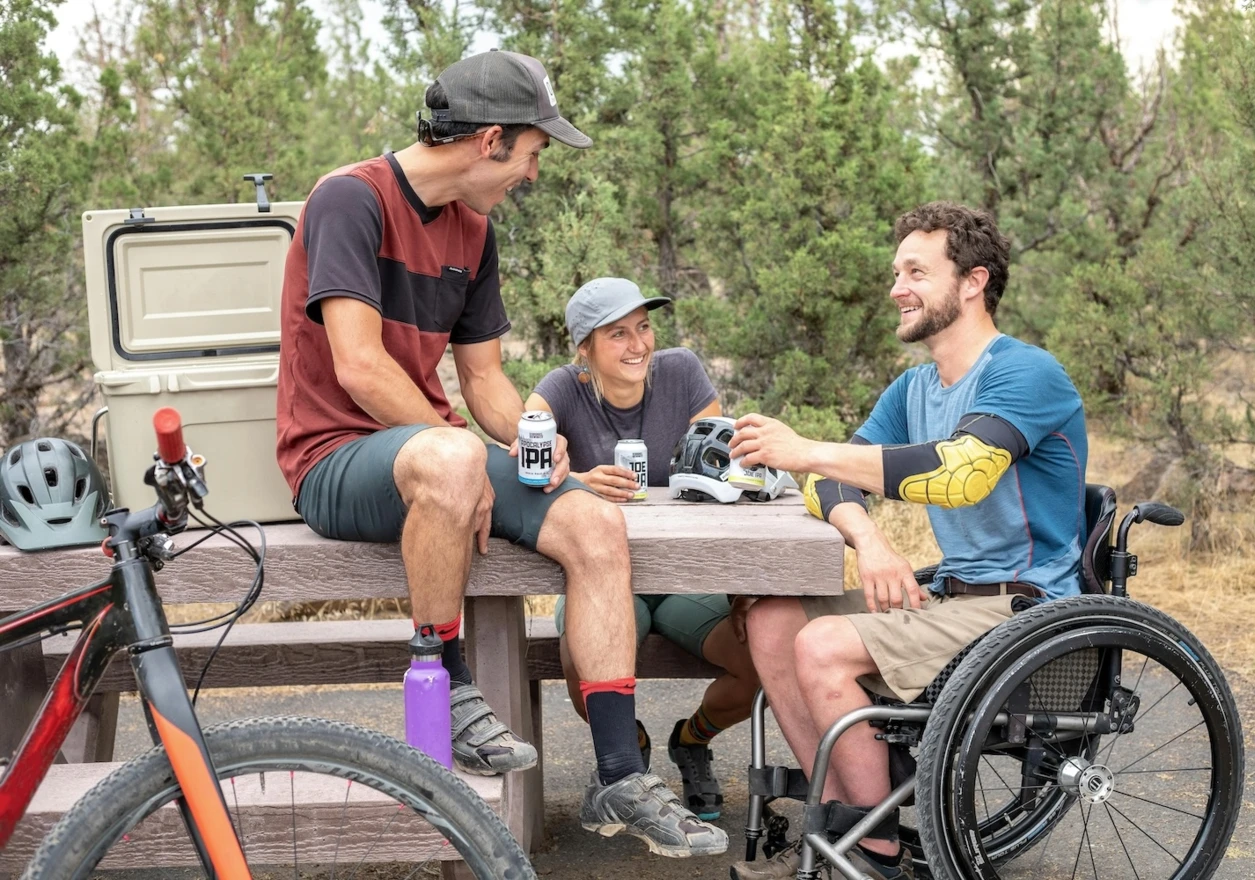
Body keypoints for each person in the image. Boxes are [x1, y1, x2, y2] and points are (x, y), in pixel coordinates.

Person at [274, 50, 726, 858]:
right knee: (453, 462)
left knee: (593, 522)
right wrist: (459, 450)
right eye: (533, 153)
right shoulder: (350, 199)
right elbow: (359, 366)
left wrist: (534, 445)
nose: (533, 174)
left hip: (432, 449)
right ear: (490, 140)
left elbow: (482, 378)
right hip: (334, 457)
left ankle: (620, 772)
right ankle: (445, 679)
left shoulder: (472, 231)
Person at [726, 202, 1088, 880]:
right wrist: (869, 539)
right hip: (952, 595)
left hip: (1024, 609)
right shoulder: (915, 387)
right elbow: (826, 484)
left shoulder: (1026, 373)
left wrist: (806, 449)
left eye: (917, 272)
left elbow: (961, 474)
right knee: (772, 617)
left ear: (973, 282)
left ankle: (873, 854)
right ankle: (844, 828)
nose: (897, 288)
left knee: (822, 646)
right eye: (897, 273)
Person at [525, 276, 761, 821]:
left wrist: (740, 587)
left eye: (644, 327)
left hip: (684, 580)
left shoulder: (682, 372)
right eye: (618, 334)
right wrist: (575, 481)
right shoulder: (561, 388)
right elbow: (518, 461)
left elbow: (722, 476)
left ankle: (691, 740)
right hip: (599, 579)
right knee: (582, 667)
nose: (638, 345)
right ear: (584, 349)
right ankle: (631, 753)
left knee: (761, 660)